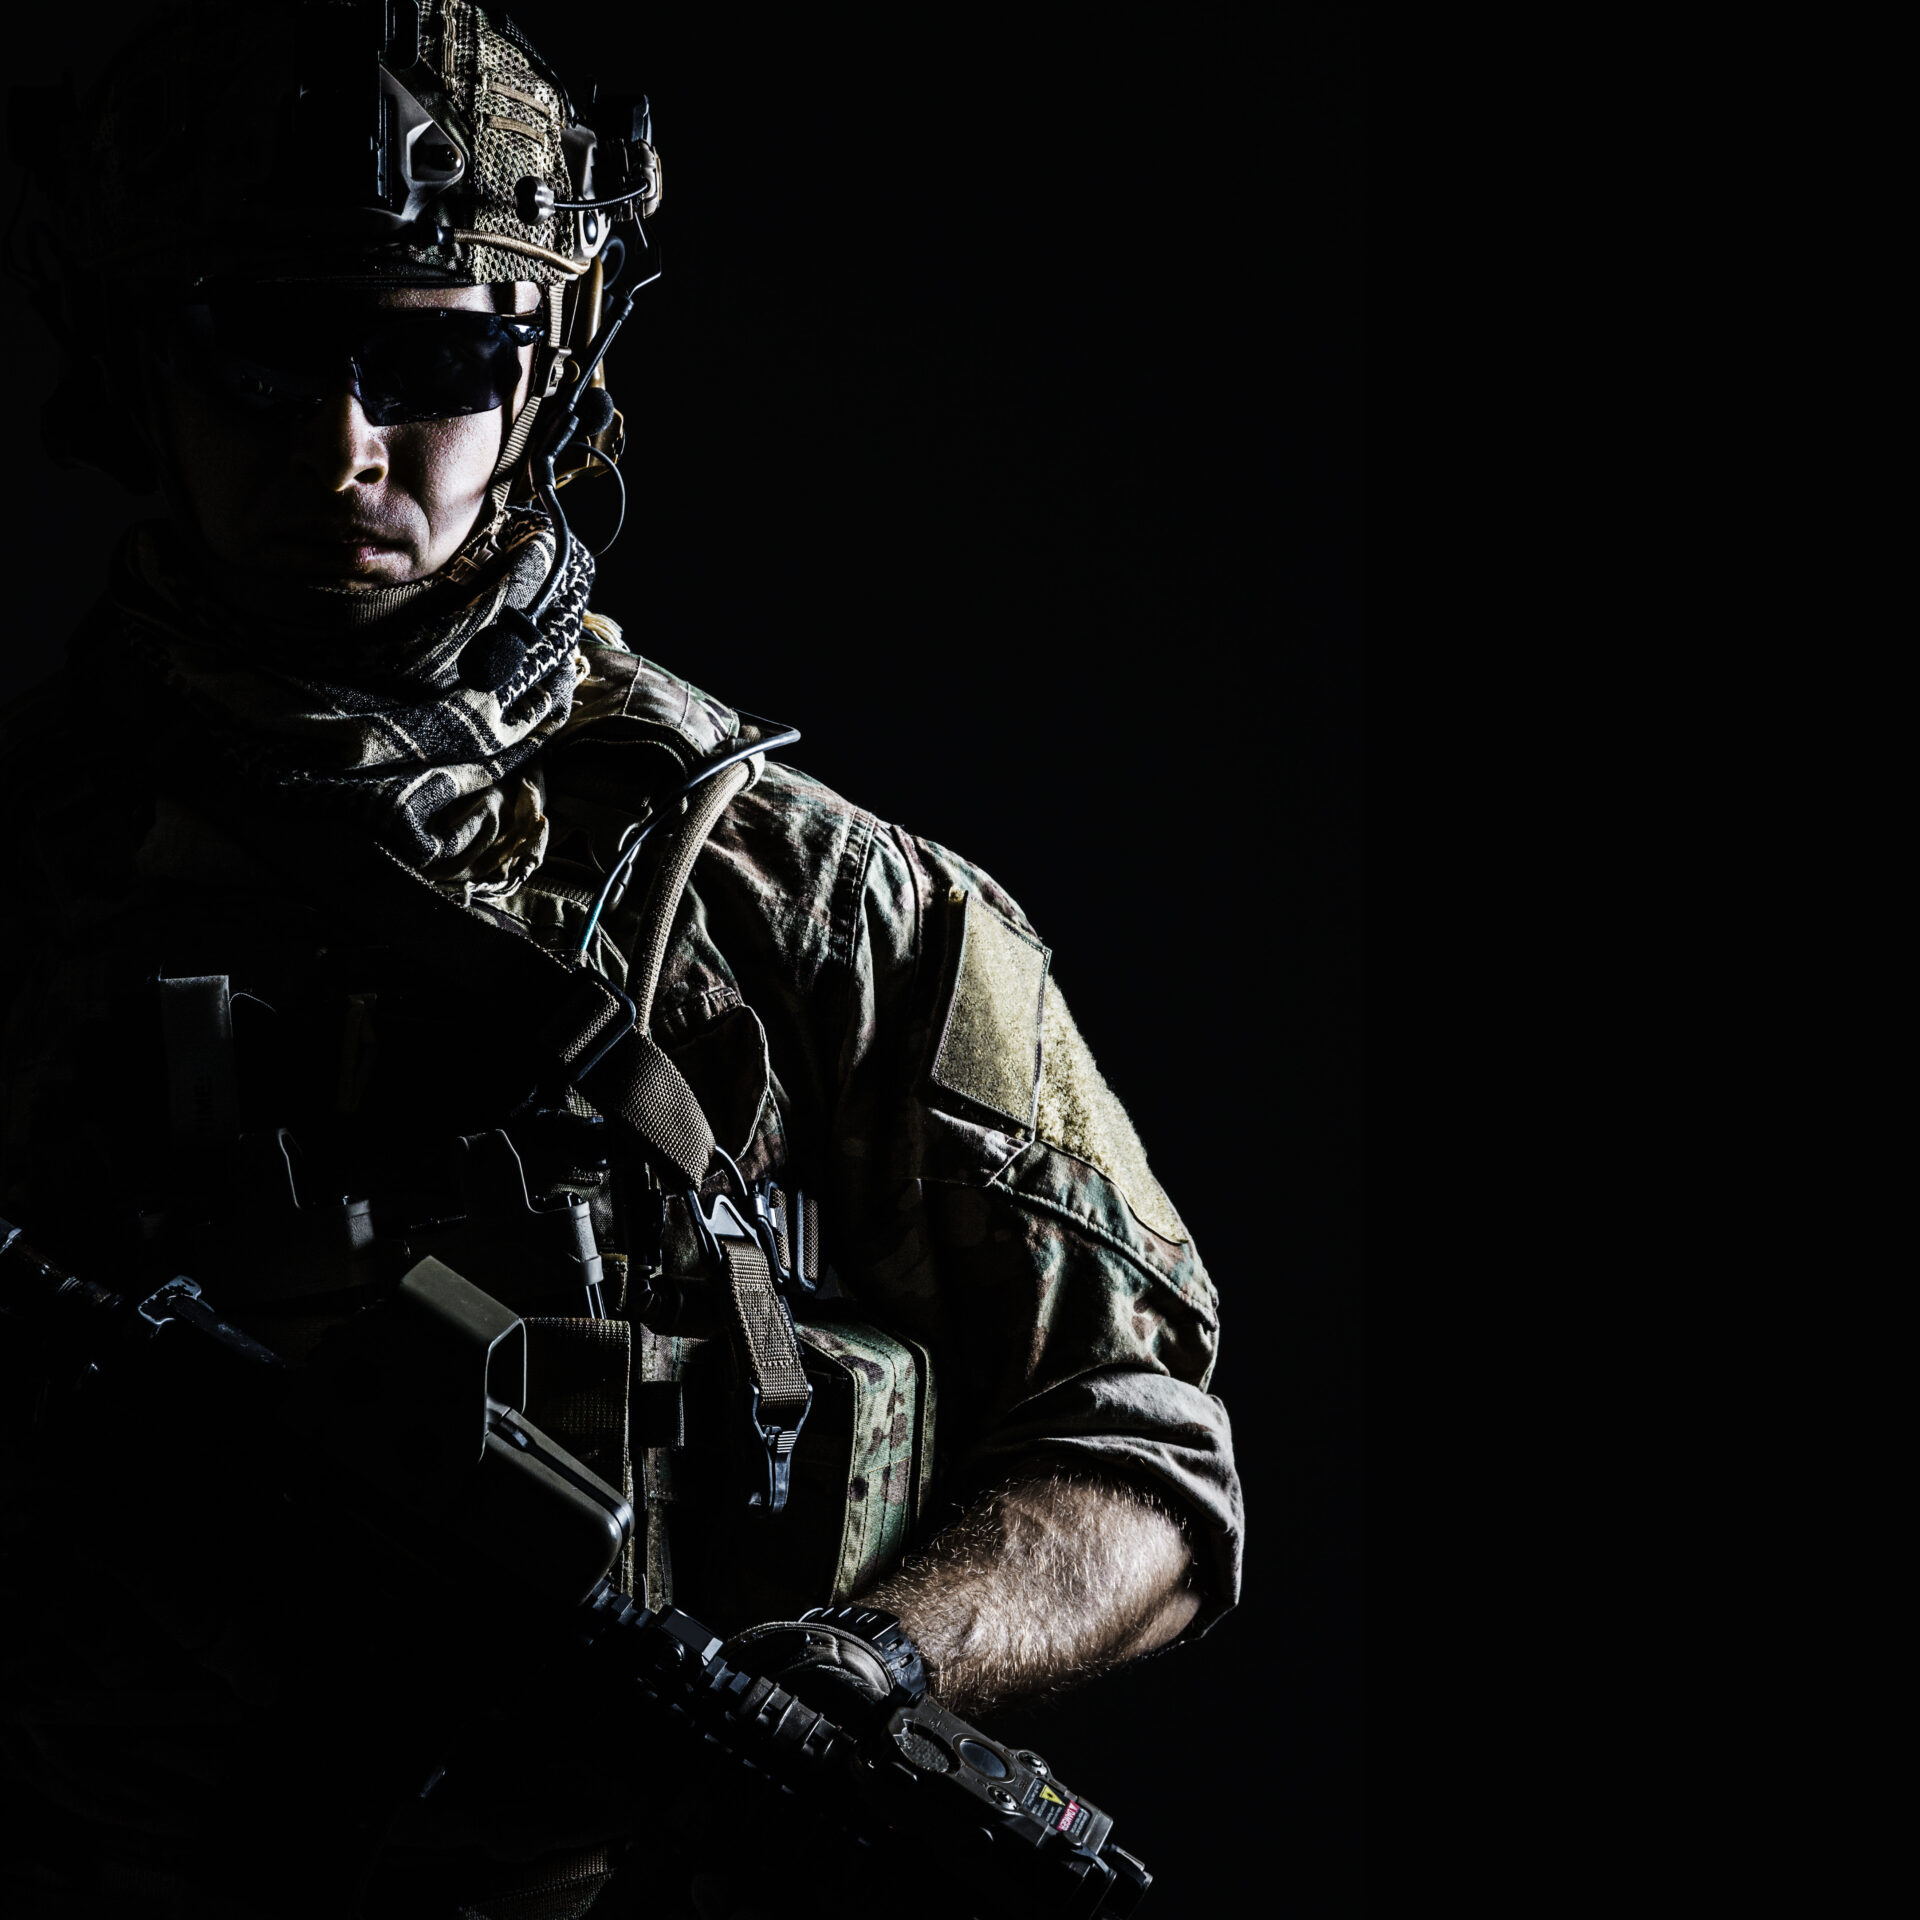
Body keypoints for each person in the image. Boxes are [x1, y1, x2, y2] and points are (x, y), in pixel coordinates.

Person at [0, 5, 1243, 1915]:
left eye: (432, 354)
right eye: (263, 343)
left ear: (550, 364)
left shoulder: (825, 914)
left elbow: (1145, 1455)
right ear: (130, 360)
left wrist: (866, 1668)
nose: (346, 440)